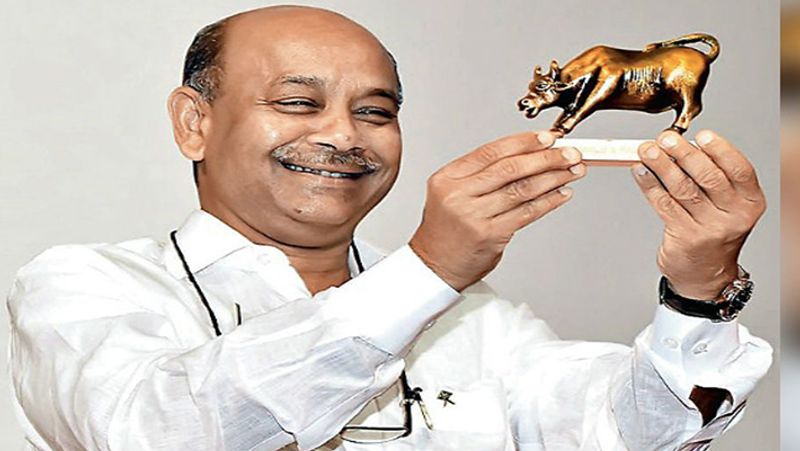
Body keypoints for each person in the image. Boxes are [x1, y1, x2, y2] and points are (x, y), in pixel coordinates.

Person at [7, 5, 772, 451]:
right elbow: (159, 429)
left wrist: (698, 288)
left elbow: (630, 431)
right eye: (299, 103)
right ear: (194, 123)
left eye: (375, 111)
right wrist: (431, 268)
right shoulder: (86, 287)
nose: (344, 135)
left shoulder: (476, 321)